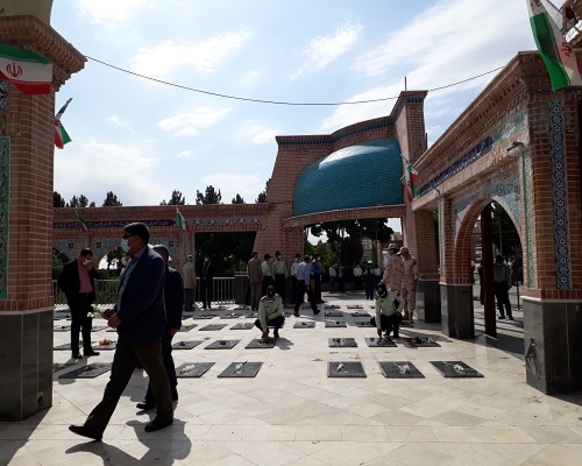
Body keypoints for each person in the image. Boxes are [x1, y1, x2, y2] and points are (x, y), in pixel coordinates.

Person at [69, 222, 173, 441]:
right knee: (116, 379)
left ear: (137, 238)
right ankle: (95, 426)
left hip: (145, 331)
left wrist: (122, 315)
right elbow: (128, 293)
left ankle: (165, 415)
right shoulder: (132, 261)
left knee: (156, 374)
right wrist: (115, 310)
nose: (123, 240)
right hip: (128, 331)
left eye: (126, 236)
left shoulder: (153, 261)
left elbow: (148, 297)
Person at [137, 244, 184, 410]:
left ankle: (151, 399)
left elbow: (177, 302)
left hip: (165, 325)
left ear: (163, 258)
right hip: (152, 324)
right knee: (164, 358)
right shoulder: (150, 275)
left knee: (155, 361)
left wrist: (175, 324)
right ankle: (173, 390)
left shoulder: (172, 275)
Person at [57, 248, 101, 359]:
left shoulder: (89, 266)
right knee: (76, 324)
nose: (88, 260)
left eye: (90, 259)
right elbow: (61, 282)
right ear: (81, 256)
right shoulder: (70, 267)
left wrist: (91, 269)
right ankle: (75, 351)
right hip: (76, 300)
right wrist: (70, 295)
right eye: (87, 258)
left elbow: (98, 276)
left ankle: (87, 349)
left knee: (88, 324)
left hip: (88, 299)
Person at [399, 247, 419, 322]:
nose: (402, 255)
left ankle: (411, 316)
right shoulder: (402, 261)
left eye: (402, 253)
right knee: (403, 299)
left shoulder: (412, 261)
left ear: (406, 253)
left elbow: (415, 272)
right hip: (403, 282)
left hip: (410, 282)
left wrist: (415, 282)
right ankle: (406, 314)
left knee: (411, 299)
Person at [494, 255, 513, 320]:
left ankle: (509, 314)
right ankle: (503, 314)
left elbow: (508, 276)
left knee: (506, 300)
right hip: (497, 284)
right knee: (499, 300)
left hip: (503, 283)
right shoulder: (494, 266)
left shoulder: (505, 267)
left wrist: (509, 284)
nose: (499, 262)